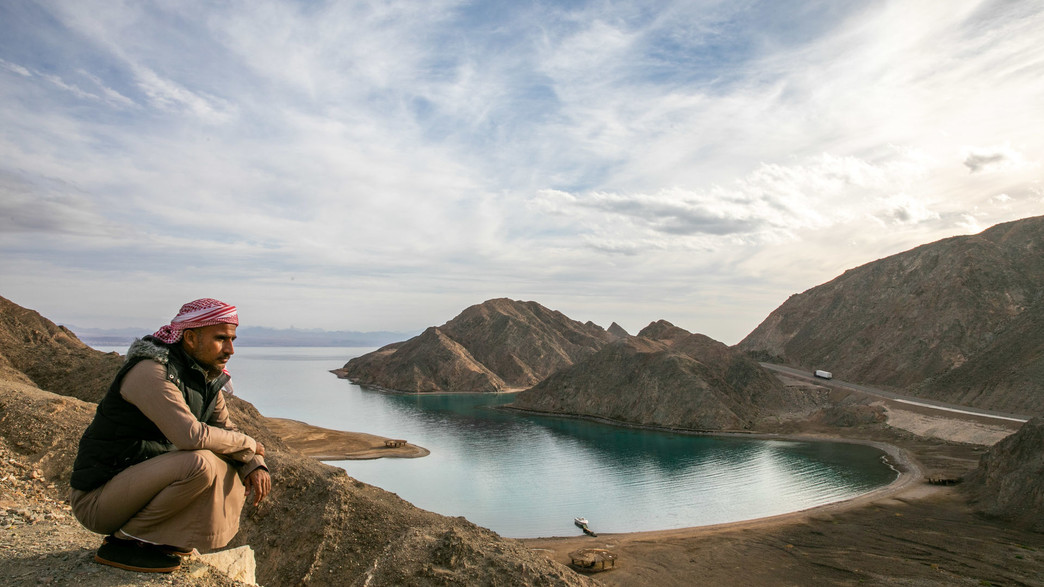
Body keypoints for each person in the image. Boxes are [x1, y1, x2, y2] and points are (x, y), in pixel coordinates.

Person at [69, 298, 271, 573]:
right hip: (98, 499)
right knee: (200, 462)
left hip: (136, 486)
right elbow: (190, 436)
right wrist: (250, 445)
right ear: (189, 337)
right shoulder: (151, 371)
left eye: (232, 339)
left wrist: (253, 463)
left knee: (227, 459)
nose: (230, 349)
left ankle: (160, 540)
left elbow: (226, 430)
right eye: (221, 338)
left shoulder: (205, 377)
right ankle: (124, 545)